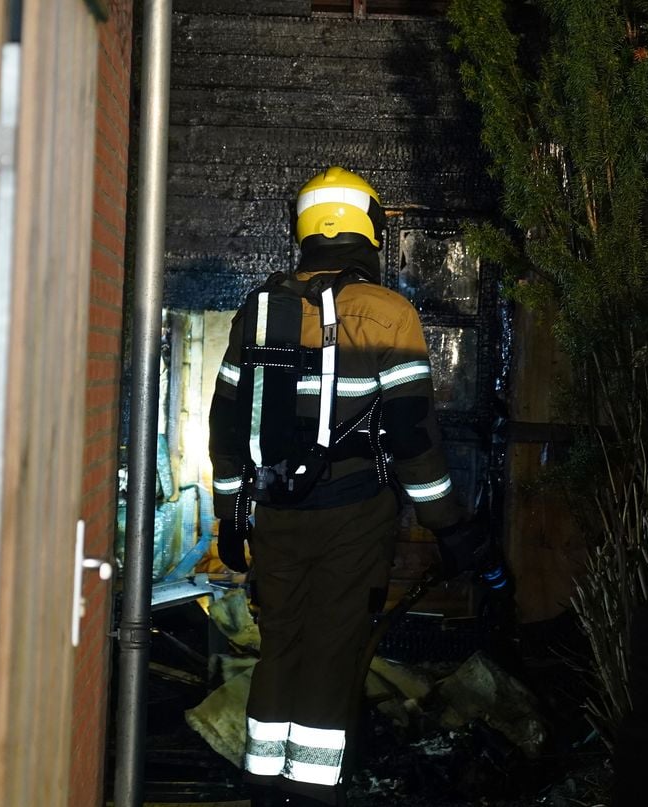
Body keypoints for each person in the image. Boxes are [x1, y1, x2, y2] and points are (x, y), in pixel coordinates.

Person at [207, 166, 497, 806]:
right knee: (334, 645)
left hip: (274, 510)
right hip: (354, 512)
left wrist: (230, 517)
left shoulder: (259, 307)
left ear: (304, 228)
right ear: (368, 226)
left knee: (281, 641)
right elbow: (413, 438)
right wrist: (450, 527)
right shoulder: (386, 312)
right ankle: (312, 790)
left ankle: (264, 784)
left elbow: (226, 423)